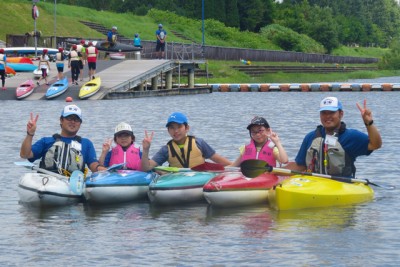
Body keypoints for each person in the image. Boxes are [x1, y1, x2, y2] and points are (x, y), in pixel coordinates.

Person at [286, 96, 382, 177]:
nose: (327, 116)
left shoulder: (351, 136)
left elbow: (375, 145)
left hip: (341, 185)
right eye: (324, 113)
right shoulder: (311, 137)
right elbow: (300, 166)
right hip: (314, 184)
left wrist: (368, 122)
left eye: (332, 112)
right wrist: (273, 171)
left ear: (341, 114)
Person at [20, 104, 107, 176]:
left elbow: (93, 166)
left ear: (80, 123)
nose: (73, 122)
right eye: (69, 118)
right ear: (61, 120)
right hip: (47, 182)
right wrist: (30, 134)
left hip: (72, 186)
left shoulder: (86, 143)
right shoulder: (46, 141)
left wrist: (105, 170)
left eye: (76, 119)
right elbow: (25, 155)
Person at [141, 112, 231, 171]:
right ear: (168, 130)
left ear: (187, 128)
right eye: (172, 128)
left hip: (199, 178)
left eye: (179, 126)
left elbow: (223, 162)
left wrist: (236, 167)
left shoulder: (199, 143)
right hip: (179, 182)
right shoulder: (166, 150)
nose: (175, 131)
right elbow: (146, 168)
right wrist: (146, 150)